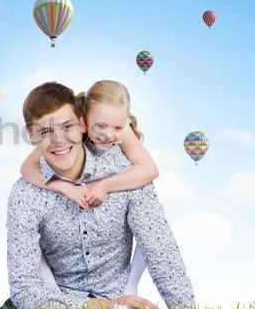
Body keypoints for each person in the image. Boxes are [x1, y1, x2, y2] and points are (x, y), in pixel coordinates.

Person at [2, 81, 195, 309]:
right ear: (31, 134)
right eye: (45, 132)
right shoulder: (26, 194)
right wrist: (98, 308)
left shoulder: (129, 176)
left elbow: (161, 251)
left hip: (119, 299)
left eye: (67, 127)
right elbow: (24, 290)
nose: (59, 140)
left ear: (83, 125)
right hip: (53, 304)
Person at [21, 79, 158, 297]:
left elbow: (149, 169)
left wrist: (105, 185)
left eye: (117, 127)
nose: (108, 135)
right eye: (100, 126)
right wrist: (64, 187)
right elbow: (27, 167)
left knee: (147, 222)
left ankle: (131, 286)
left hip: (113, 271)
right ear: (84, 118)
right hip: (67, 277)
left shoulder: (120, 128)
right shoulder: (65, 132)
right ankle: (56, 296)